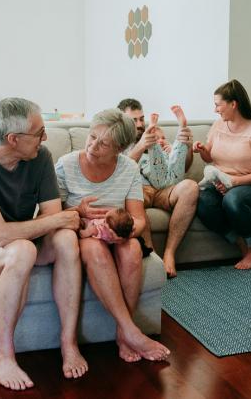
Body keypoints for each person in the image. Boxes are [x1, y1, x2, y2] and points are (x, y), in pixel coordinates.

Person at [0, 97, 88, 391]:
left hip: (16, 238)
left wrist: (13, 231)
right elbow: (0, 235)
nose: (45, 137)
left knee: (65, 239)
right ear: (13, 139)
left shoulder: (41, 157)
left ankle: (68, 343)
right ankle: (2, 355)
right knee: (23, 249)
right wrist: (57, 220)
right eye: (39, 132)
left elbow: (49, 217)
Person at [55, 108, 171, 363]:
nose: (93, 146)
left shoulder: (128, 168)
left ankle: (122, 334)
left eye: (103, 143)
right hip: (84, 234)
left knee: (132, 250)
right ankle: (131, 330)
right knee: (95, 249)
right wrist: (79, 212)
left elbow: (139, 218)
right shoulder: (66, 165)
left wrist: (124, 234)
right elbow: (53, 214)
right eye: (92, 136)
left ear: (118, 149)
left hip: (118, 230)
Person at [193, 79, 251, 270]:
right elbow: (209, 158)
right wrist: (202, 149)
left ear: (233, 104)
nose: (215, 110)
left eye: (217, 105)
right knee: (201, 202)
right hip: (220, 183)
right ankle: (239, 241)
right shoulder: (218, 125)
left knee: (232, 199)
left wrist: (234, 182)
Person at [117, 99, 199, 278]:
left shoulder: (156, 134)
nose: (140, 125)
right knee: (134, 200)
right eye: (134, 121)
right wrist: (141, 146)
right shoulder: (117, 142)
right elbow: (120, 172)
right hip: (139, 191)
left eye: (141, 119)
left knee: (190, 187)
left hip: (163, 188)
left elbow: (180, 169)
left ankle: (169, 253)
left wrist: (186, 147)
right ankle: (153, 258)